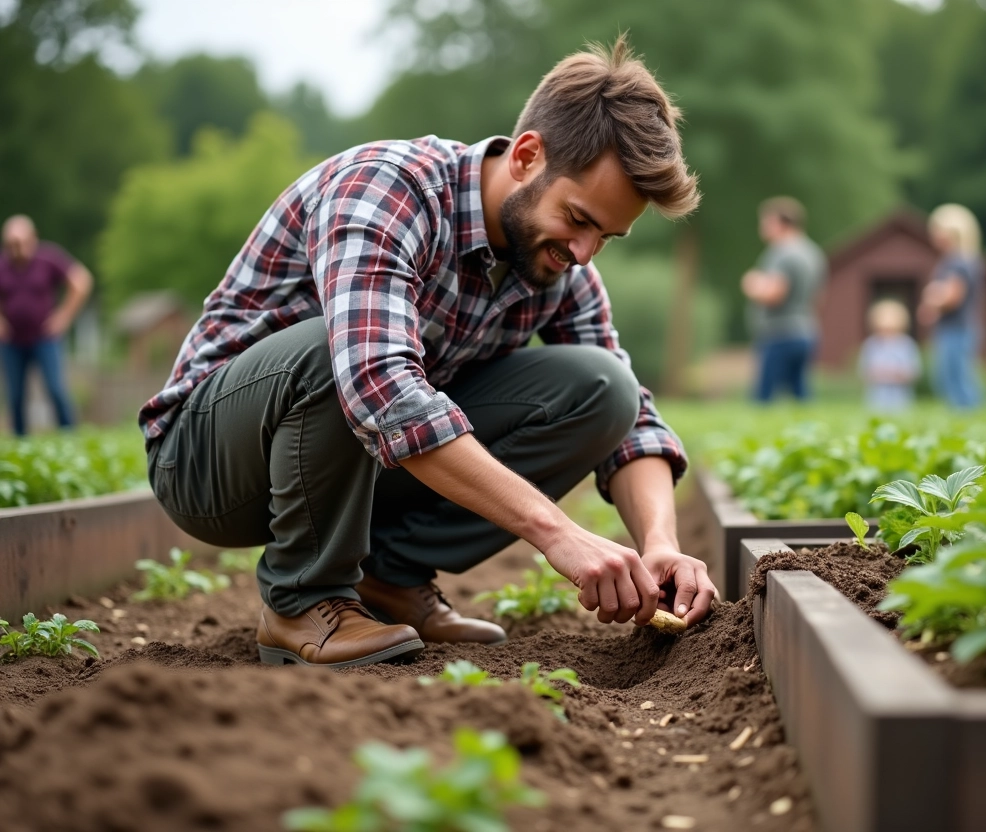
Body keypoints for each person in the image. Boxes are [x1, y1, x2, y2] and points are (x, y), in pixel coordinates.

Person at [140, 38, 717, 668]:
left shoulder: (558, 269)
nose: (584, 251)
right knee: (340, 351)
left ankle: (384, 577)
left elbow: (629, 426)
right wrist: (558, 534)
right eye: (577, 218)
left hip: (354, 465)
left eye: (605, 235)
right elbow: (376, 382)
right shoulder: (387, 189)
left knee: (603, 387)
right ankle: (302, 600)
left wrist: (660, 542)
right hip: (211, 462)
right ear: (527, 157)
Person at [0, 215, 93, 435]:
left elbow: (81, 280)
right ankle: (20, 444)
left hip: (45, 338)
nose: (16, 249)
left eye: (20, 243)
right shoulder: (3, 265)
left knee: (56, 390)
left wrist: (64, 316)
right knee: (15, 396)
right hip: (11, 341)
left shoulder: (48, 259)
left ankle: (69, 438)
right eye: (11, 244)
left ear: (33, 239)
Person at [740, 196, 826, 402]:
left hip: (779, 332)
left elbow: (774, 294)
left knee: (764, 397)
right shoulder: (813, 252)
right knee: (800, 394)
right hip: (806, 329)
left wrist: (751, 283)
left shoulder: (783, 253)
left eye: (766, 221)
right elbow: (819, 295)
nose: (762, 227)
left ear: (781, 223)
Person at [917, 204, 985, 409]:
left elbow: (954, 296)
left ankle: (968, 415)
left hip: (956, 328)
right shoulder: (967, 260)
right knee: (957, 376)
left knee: (956, 378)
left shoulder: (957, 262)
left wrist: (931, 299)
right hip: (962, 327)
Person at [858, 299, 921, 412]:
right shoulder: (871, 345)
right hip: (876, 399)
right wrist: (878, 373)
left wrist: (896, 373)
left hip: (901, 400)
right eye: (883, 329)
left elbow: (914, 371)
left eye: (891, 329)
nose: (887, 333)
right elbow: (864, 371)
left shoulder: (907, 345)